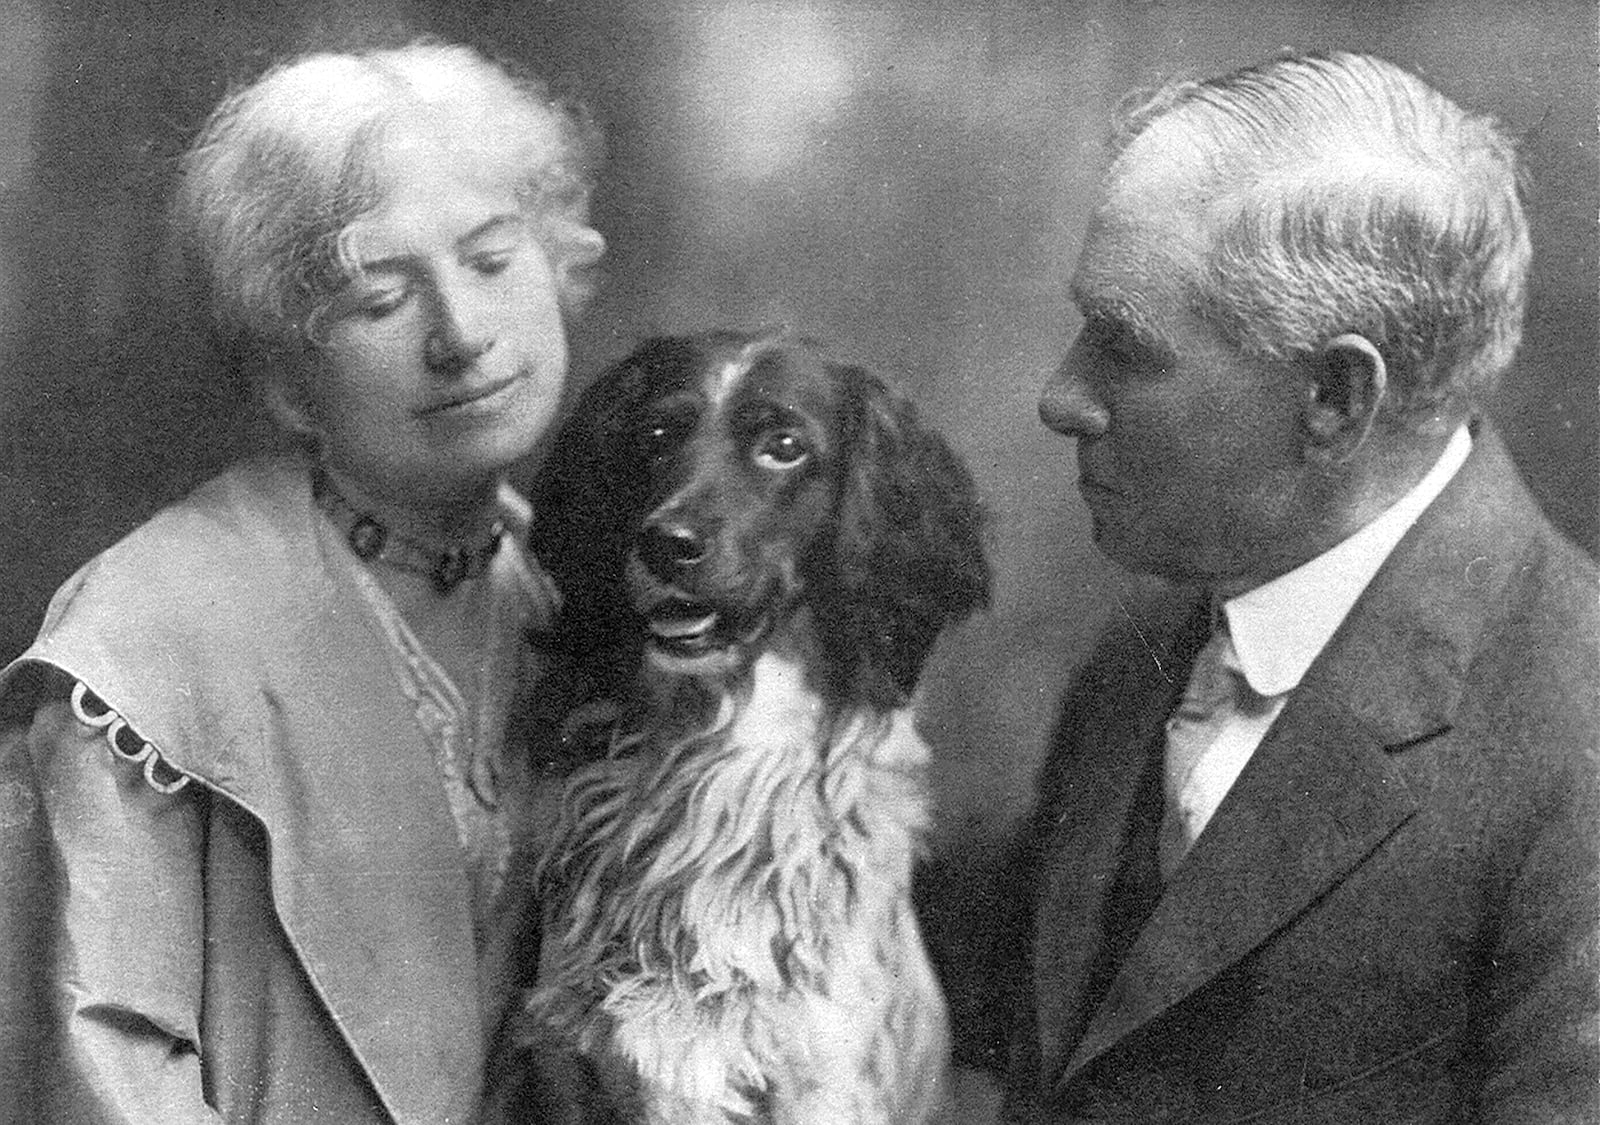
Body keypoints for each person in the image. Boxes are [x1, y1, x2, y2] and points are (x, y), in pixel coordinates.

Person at [0, 39, 604, 1124]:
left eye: (491, 258)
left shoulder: (580, 605)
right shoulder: (149, 637)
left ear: (560, 262)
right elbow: (98, 1073)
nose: (462, 335)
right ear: (286, 378)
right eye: (382, 300)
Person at [1000, 51, 1599, 1123]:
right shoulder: (1146, 644)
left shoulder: (1578, 732)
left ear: (1332, 395)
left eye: (1124, 347)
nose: (1061, 398)